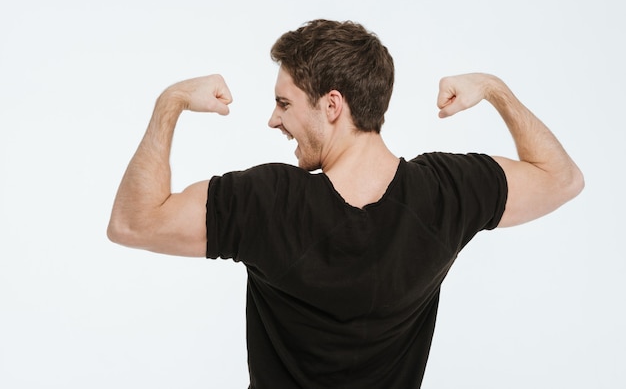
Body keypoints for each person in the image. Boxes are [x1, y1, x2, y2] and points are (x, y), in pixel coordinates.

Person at [107, 19, 584, 388]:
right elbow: (561, 179)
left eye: (284, 103)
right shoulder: (444, 194)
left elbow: (132, 223)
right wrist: (495, 89)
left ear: (332, 106)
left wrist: (169, 103)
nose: (273, 120)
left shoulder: (269, 201)